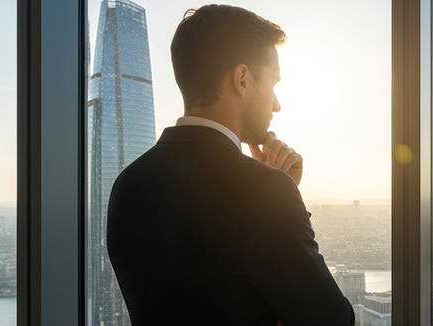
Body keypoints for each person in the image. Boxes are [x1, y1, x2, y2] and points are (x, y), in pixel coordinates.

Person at [106, 4, 354, 325]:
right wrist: (278, 193)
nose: (276, 105)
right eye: (273, 84)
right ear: (242, 79)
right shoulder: (264, 191)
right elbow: (335, 321)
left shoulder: (127, 184)